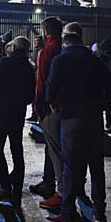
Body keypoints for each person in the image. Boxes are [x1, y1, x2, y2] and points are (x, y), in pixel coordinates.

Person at [44, 33, 111, 222]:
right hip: (93, 117)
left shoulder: (60, 60)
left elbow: (51, 89)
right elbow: (110, 82)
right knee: (96, 167)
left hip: (71, 117)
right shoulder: (95, 60)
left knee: (71, 166)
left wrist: (54, 102)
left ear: (65, 43)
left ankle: (67, 213)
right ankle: (100, 213)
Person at [0, 37, 35, 205]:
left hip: (1, 111)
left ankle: (5, 187)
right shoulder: (29, 67)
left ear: (14, 47)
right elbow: (31, 92)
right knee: (17, 150)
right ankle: (17, 192)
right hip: (18, 112)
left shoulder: (5, 62)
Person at [30, 17, 63, 204]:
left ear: (45, 31)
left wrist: (38, 106)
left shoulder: (47, 51)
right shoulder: (63, 48)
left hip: (50, 107)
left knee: (54, 149)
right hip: (65, 105)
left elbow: (41, 81)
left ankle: (57, 190)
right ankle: (49, 182)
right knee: (55, 148)